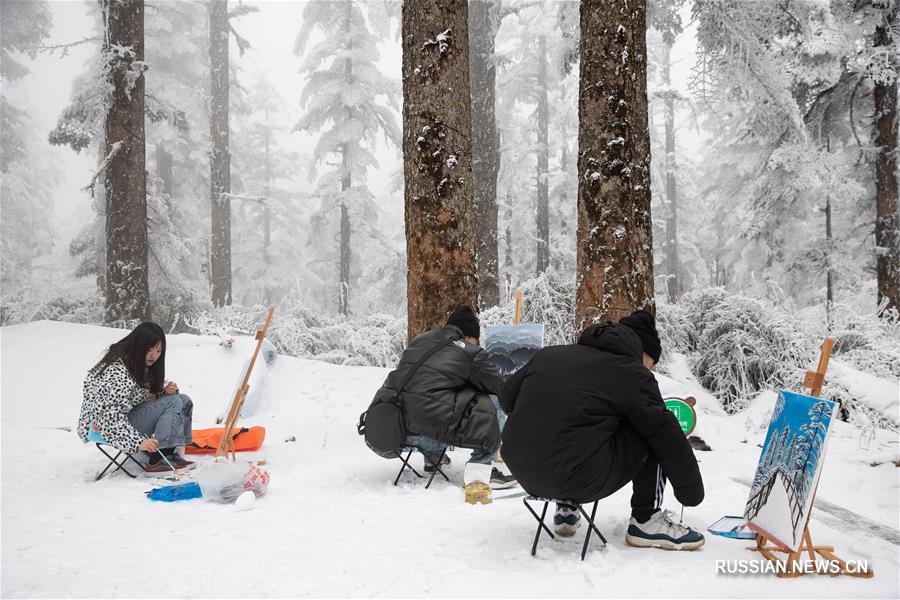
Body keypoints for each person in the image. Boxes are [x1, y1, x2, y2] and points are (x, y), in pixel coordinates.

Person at [499, 310, 705, 550]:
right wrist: (690, 493)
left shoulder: (549, 355)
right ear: (642, 353)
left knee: (581, 424)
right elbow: (665, 433)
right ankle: (646, 520)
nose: (652, 368)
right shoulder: (632, 372)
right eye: (652, 362)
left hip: (521, 469)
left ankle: (567, 505)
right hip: (575, 476)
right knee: (650, 428)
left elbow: (506, 399)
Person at [372, 305, 516, 491]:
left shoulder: (421, 340)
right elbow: (498, 386)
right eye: (477, 339)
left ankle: (433, 460)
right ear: (471, 336)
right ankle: (481, 472)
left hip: (396, 429)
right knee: (492, 401)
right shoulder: (470, 352)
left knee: (434, 396)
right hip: (428, 434)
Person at [77, 322, 194, 475]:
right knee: (173, 401)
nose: (154, 355)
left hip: (125, 419)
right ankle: (158, 458)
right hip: (100, 428)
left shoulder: (136, 362)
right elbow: (108, 417)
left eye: (158, 350)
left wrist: (165, 391)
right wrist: (138, 442)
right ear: (138, 346)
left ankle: (170, 452)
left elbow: (139, 392)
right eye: (149, 350)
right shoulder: (116, 371)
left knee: (182, 399)